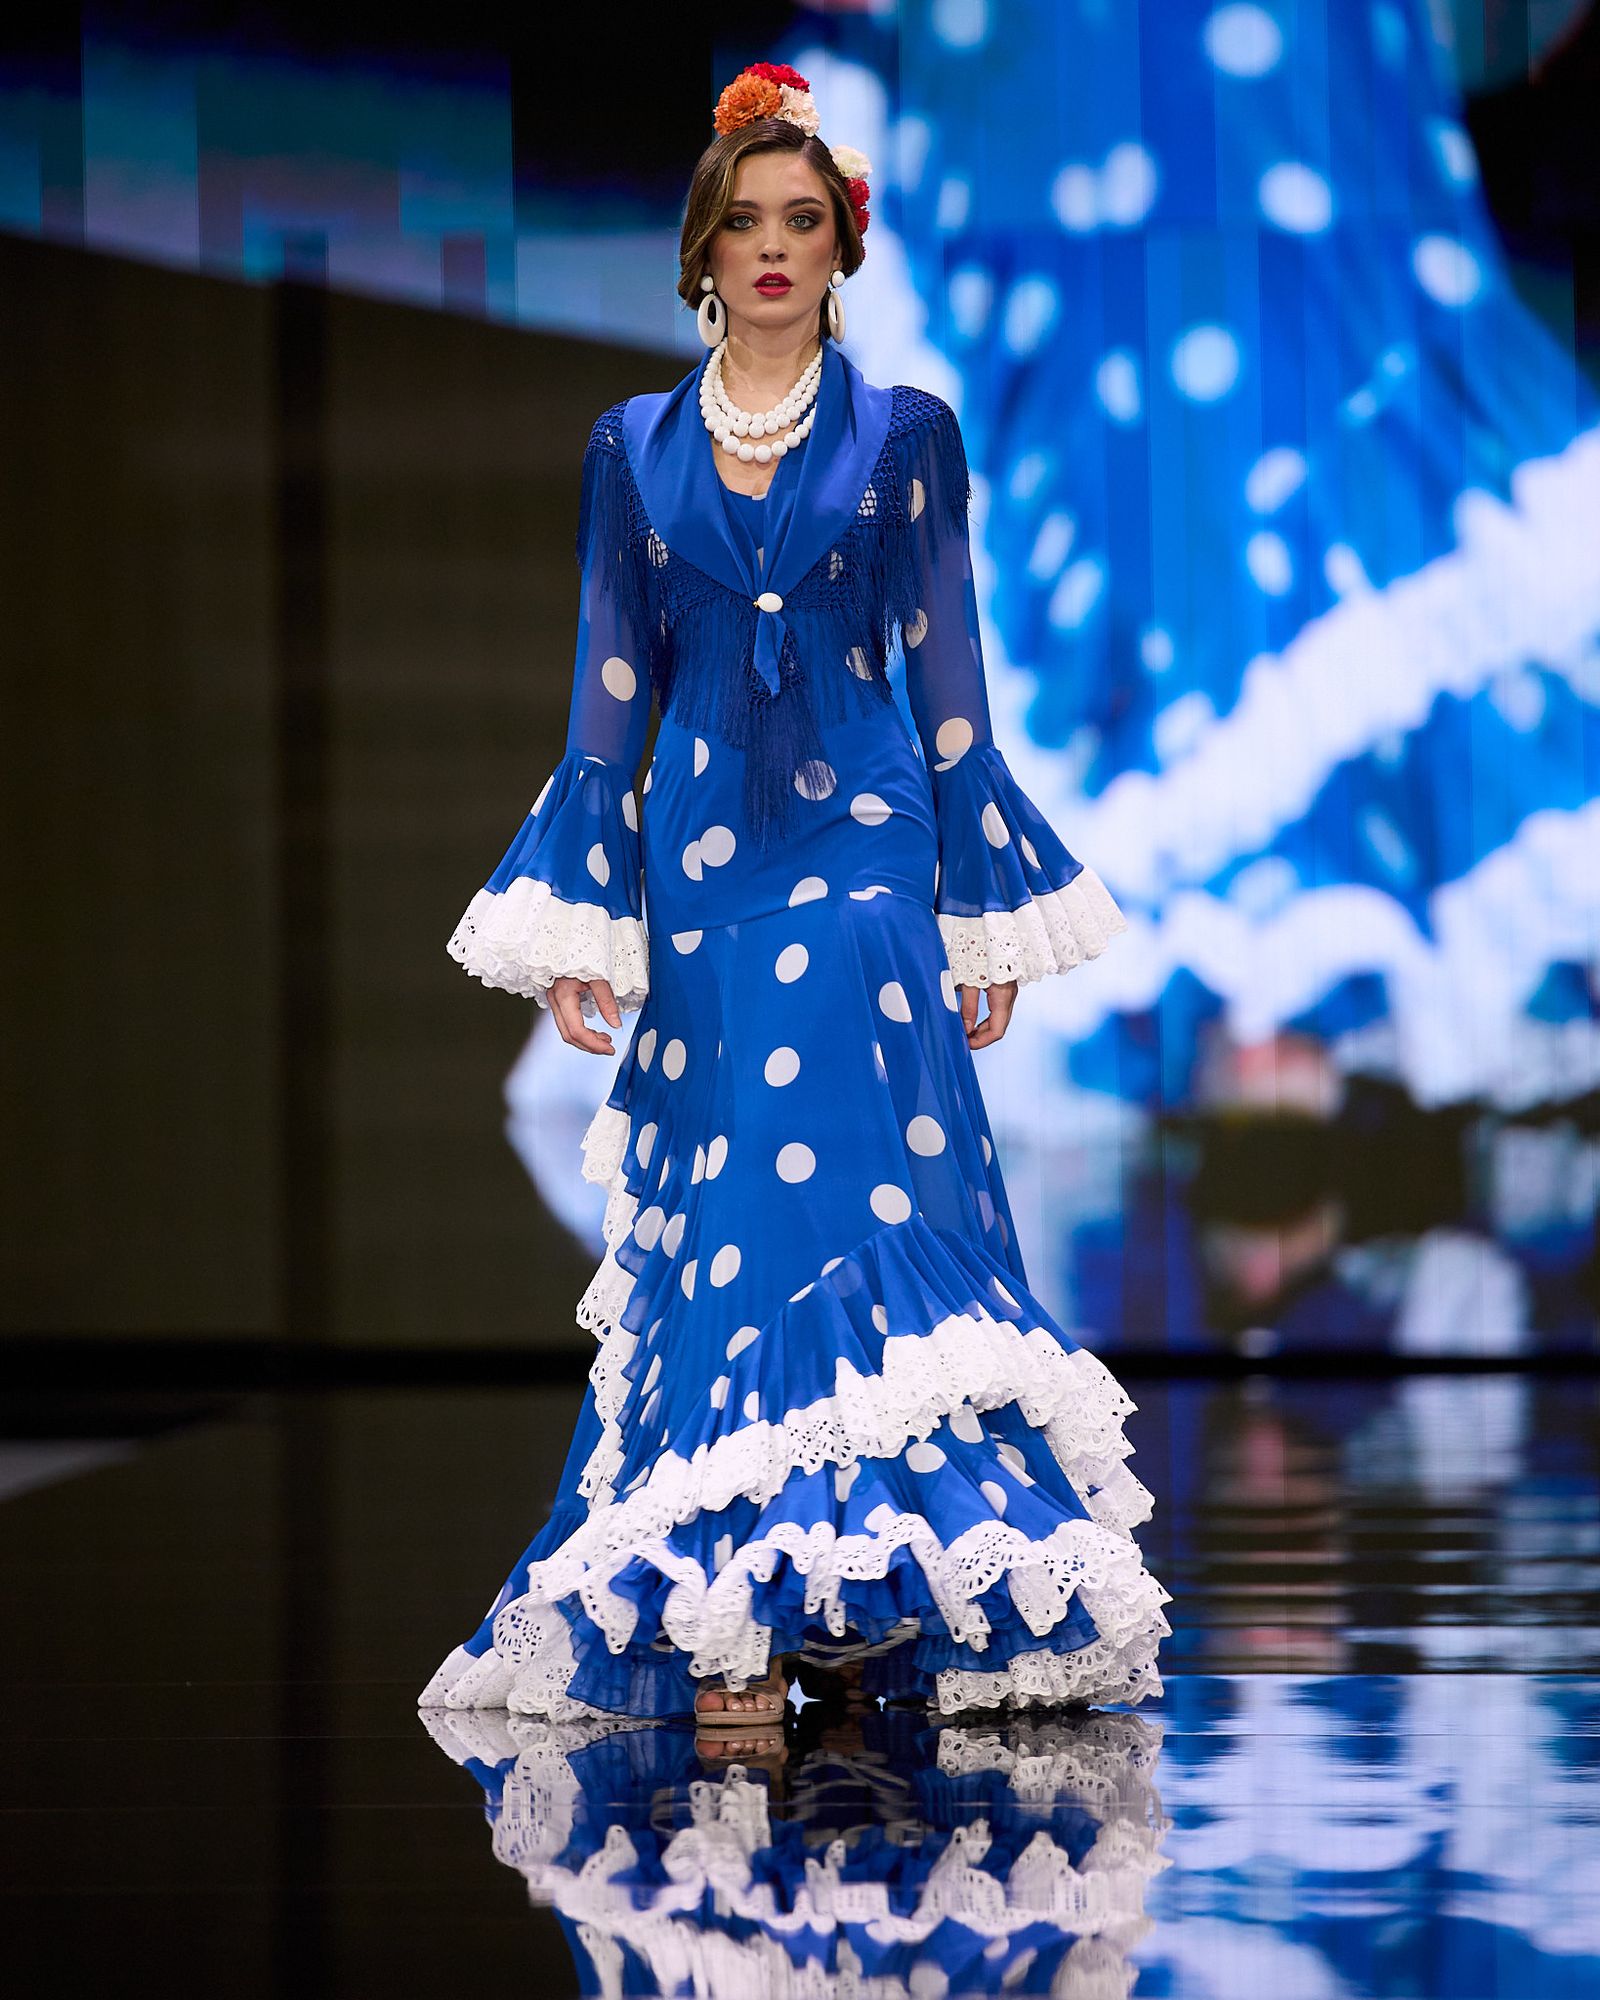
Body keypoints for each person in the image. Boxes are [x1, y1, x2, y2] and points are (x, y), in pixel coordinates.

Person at [419, 62, 1170, 1750]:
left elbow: (952, 680)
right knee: (740, 1198)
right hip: (695, 864)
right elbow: (609, 693)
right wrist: (580, 920)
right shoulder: (630, 448)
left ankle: (856, 1595)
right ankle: (738, 1607)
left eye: (803, 221)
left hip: (870, 845)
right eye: (745, 222)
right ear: (703, 249)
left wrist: (982, 908)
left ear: (843, 246)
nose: (773, 249)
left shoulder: (907, 436)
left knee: (870, 1201)